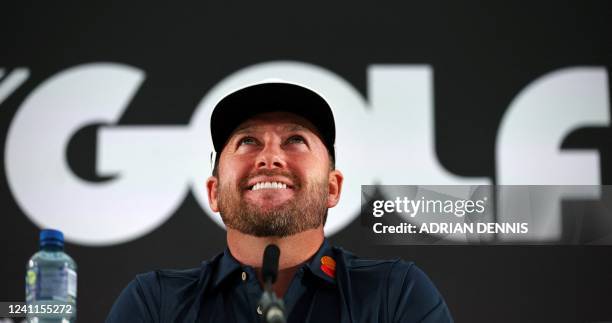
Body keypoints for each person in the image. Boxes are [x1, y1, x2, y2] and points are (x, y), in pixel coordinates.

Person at [106, 82, 453, 322]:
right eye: (248, 141)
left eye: (295, 140)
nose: (270, 157)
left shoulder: (395, 293)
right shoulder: (155, 302)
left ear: (333, 189)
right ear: (214, 192)